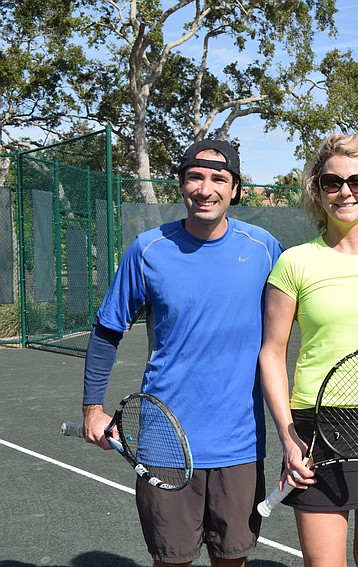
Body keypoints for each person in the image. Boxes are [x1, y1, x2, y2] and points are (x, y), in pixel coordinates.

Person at [82, 139, 283, 567]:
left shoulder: (264, 247)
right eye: (195, 176)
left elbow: (308, 307)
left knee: (232, 560)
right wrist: (92, 409)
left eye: (218, 178)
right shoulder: (148, 249)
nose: (205, 188)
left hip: (240, 443)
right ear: (181, 184)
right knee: (171, 560)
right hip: (164, 442)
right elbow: (106, 331)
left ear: (235, 190)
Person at [258, 132, 358, 567]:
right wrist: (288, 436)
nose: (345, 191)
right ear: (317, 189)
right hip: (316, 425)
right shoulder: (294, 262)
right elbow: (271, 353)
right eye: (332, 182)